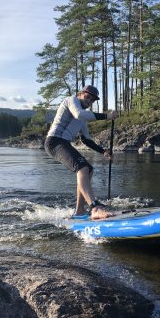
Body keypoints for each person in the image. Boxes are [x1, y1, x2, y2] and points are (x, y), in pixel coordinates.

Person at [44, 85, 118, 220]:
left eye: (92, 100)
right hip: (54, 141)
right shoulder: (71, 101)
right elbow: (78, 113)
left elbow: (85, 140)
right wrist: (107, 116)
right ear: (80, 94)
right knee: (82, 168)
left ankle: (80, 211)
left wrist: (103, 151)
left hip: (63, 142)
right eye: (87, 96)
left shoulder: (83, 118)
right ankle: (95, 208)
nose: (89, 101)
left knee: (88, 169)